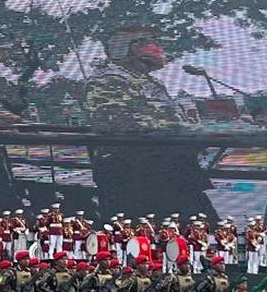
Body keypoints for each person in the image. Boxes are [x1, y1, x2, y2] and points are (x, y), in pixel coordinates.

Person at [86, 26, 216, 218]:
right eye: (151, 42)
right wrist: (186, 130)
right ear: (132, 48)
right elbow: (117, 124)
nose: (158, 48)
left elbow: (170, 119)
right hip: (134, 175)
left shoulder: (152, 82)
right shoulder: (107, 81)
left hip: (175, 172)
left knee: (203, 225)